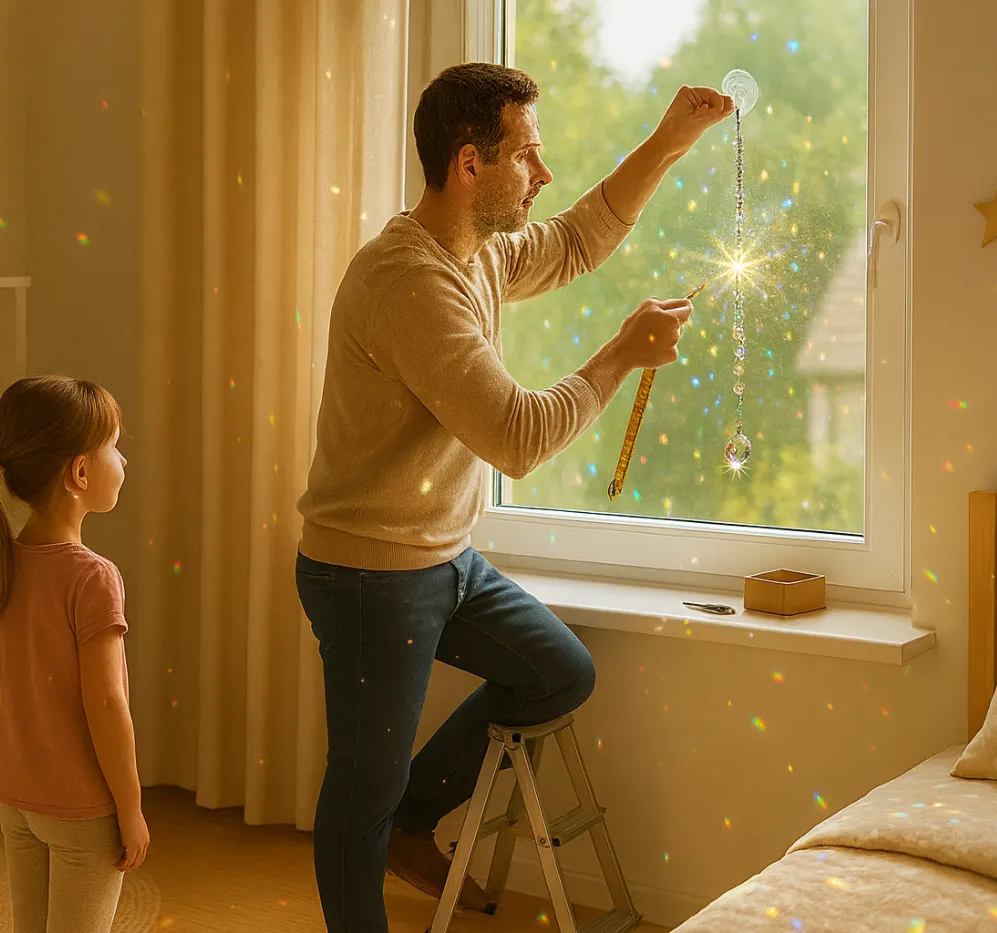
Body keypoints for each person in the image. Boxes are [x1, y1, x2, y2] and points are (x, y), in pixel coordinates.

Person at [295, 61, 734, 931]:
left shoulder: (479, 253)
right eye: (527, 156)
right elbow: (519, 439)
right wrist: (618, 356)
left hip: (445, 559)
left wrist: (668, 143)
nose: (544, 174)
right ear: (470, 164)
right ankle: (387, 835)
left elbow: (575, 239)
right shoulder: (408, 284)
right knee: (361, 788)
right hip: (370, 575)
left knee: (557, 671)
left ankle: (412, 822)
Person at [0, 375, 143, 933]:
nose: (124, 461)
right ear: (80, 472)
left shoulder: (2, 561)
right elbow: (107, 706)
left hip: (15, 797)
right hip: (80, 810)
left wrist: (14, 769)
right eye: (115, 446)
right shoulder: (93, 577)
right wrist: (130, 810)